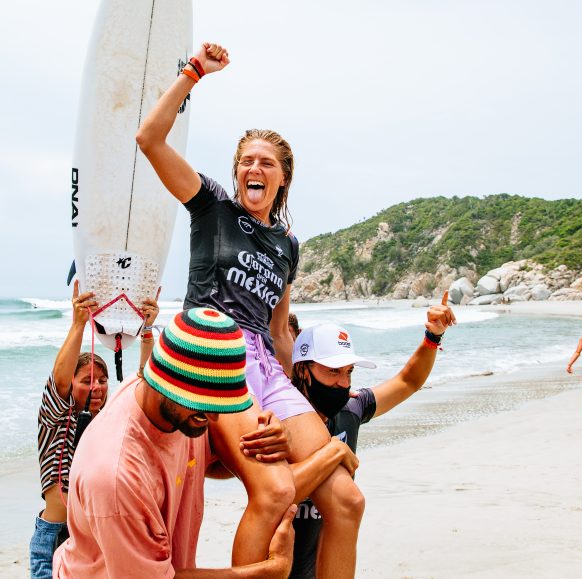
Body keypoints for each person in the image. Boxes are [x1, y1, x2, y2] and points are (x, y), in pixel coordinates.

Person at [137, 42, 365, 577]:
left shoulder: (288, 244)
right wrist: (194, 72)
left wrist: (290, 404)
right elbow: (149, 139)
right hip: (214, 357)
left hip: (265, 369)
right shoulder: (212, 207)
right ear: (236, 173)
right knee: (273, 491)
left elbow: (280, 331)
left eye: (266, 162)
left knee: (347, 501)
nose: (253, 168)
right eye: (246, 162)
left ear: (283, 177)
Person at [53, 307, 297, 578]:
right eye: (202, 405)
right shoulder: (115, 475)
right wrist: (267, 571)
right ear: (163, 384)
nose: (214, 416)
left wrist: (267, 441)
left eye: (221, 404)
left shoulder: (177, 410)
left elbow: (203, 464)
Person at [286, 294, 455, 579]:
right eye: (333, 371)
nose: (343, 382)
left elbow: (407, 381)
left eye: (349, 371)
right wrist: (333, 452)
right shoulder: (277, 420)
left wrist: (432, 337)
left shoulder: (351, 409)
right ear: (303, 369)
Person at [28, 281, 158, 579]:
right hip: (56, 538)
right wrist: (78, 325)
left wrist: (147, 332)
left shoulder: (109, 423)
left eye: (101, 380)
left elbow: (146, 385)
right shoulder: (57, 418)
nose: (96, 387)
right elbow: (59, 381)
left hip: (99, 539)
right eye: (86, 380)